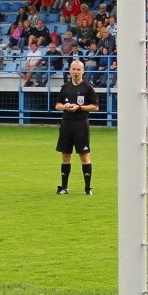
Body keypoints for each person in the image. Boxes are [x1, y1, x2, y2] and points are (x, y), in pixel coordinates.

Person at [54, 59, 99, 195]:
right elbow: (57, 105)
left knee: (84, 156)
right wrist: (65, 106)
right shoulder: (65, 87)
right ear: (70, 70)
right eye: (74, 69)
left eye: (78, 69)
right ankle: (64, 187)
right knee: (65, 156)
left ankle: (88, 188)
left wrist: (79, 107)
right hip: (66, 124)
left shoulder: (88, 87)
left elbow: (95, 107)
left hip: (81, 124)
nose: (76, 72)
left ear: (83, 71)